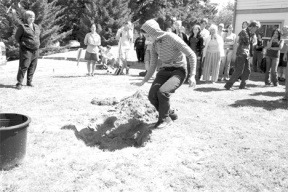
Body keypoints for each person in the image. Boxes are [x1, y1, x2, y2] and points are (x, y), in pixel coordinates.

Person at [136, 19, 197, 129]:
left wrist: (192, 75)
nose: (146, 38)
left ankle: (164, 120)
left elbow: (191, 54)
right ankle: (170, 113)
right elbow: (153, 65)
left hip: (178, 70)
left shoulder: (170, 37)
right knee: (152, 96)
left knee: (163, 92)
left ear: (153, 32)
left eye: (148, 36)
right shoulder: (154, 44)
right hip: (164, 71)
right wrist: (144, 80)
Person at [224, 20, 261, 90]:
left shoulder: (251, 33)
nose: (256, 30)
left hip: (246, 53)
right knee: (239, 70)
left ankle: (243, 85)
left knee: (247, 70)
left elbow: (251, 44)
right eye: (256, 28)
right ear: (252, 27)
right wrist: (252, 35)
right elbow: (247, 42)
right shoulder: (244, 32)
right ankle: (228, 85)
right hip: (241, 53)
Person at [14, 10, 40, 90]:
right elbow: (17, 37)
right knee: (24, 66)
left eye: (33, 17)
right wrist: (23, 44)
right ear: (26, 18)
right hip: (26, 50)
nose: (32, 18)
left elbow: (38, 37)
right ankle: (19, 83)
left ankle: (29, 82)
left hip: (35, 50)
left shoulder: (37, 27)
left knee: (33, 66)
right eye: (30, 17)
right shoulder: (22, 27)